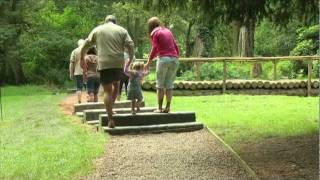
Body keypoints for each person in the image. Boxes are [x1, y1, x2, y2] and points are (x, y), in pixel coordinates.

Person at [80, 15, 134, 128]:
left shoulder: (98, 29)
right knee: (116, 85)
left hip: (104, 63)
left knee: (107, 91)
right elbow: (130, 44)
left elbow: (85, 44)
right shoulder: (122, 30)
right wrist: (130, 59)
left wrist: (81, 58)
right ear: (115, 22)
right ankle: (111, 109)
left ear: (105, 21)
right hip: (118, 62)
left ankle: (110, 119)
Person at [144, 17, 179, 113]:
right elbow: (176, 46)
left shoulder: (155, 33)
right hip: (174, 59)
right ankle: (167, 107)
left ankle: (159, 108)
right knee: (169, 85)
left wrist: (148, 62)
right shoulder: (168, 31)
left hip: (163, 59)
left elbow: (154, 48)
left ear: (150, 26)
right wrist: (176, 57)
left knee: (159, 85)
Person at [69, 39, 85, 104]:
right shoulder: (88, 50)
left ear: (78, 44)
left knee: (79, 87)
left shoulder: (74, 51)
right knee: (89, 87)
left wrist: (71, 73)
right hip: (88, 72)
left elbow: (71, 63)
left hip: (78, 72)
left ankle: (79, 101)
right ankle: (90, 101)